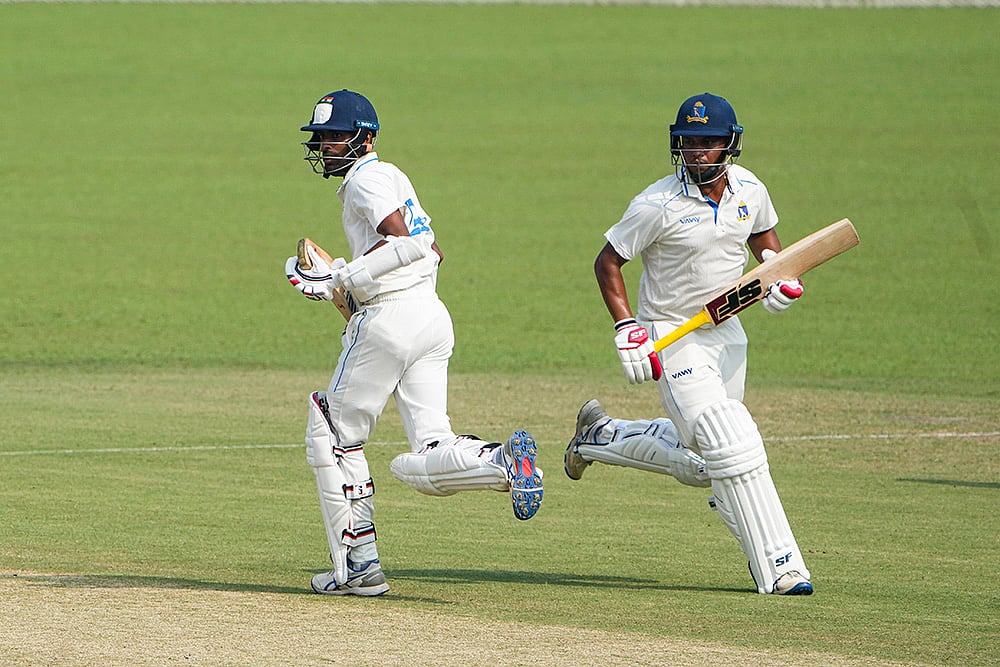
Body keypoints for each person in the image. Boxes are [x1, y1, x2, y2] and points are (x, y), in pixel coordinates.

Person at [285, 89, 543, 597]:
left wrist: (343, 280)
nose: (326, 145)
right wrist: (345, 272)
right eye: (322, 137)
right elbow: (432, 251)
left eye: (336, 135)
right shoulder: (393, 176)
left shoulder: (366, 179)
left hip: (389, 320)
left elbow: (405, 244)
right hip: (431, 316)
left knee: (332, 432)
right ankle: (499, 462)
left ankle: (358, 566)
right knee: (428, 449)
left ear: (366, 138)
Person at [564, 92, 813, 595]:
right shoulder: (656, 204)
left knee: (705, 462)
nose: (698, 152)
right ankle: (780, 567)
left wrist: (777, 278)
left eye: (709, 142)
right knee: (727, 444)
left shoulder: (750, 189)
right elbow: (607, 261)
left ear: (730, 145)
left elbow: (764, 240)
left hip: (727, 332)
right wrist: (626, 325)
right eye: (689, 142)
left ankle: (602, 436)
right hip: (673, 336)